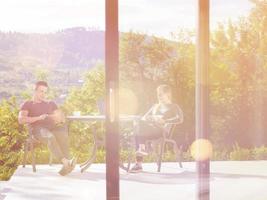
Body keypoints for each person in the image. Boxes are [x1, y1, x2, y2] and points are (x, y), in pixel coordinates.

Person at [18, 81, 76, 176]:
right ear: (35, 91)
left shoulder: (51, 103)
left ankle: (66, 165)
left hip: (52, 127)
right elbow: (21, 119)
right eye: (41, 91)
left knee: (63, 134)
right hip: (37, 129)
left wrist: (54, 117)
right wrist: (38, 118)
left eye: (45, 92)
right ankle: (66, 162)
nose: (43, 94)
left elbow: (61, 117)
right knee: (50, 137)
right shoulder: (28, 104)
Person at [130, 84, 183, 172]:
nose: (159, 96)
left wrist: (164, 120)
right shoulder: (155, 106)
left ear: (168, 94)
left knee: (138, 132)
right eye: (158, 94)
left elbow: (180, 119)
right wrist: (149, 118)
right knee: (138, 124)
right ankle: (141, 153)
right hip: (150, 129)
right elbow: (144, 118)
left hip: (162, 131)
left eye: (161, 94)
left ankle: (139, 161)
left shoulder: (174, 106)